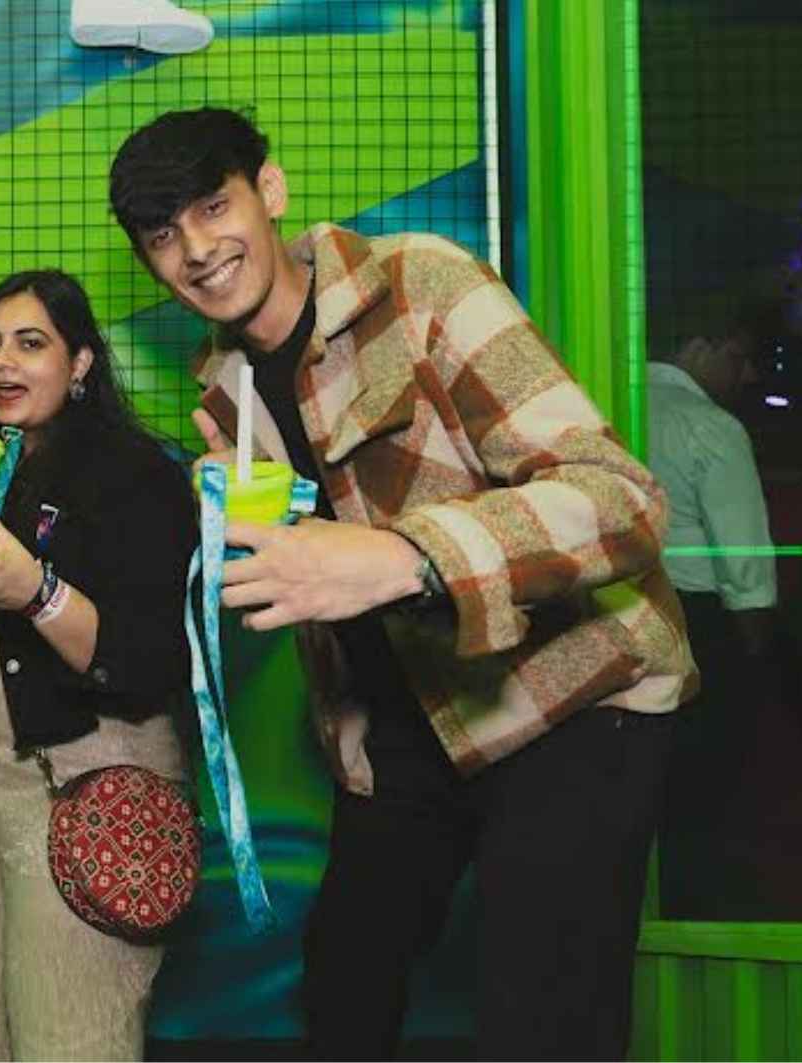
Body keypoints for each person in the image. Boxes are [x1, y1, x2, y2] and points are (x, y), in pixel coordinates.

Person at [109, 108, 695, 1059]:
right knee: (344, 986)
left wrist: (405, 555)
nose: (198, 249)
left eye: (214, 207)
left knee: (539, 1019)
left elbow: (620, 500)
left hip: (572, 697)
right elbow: (313, 575)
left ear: (270, 191)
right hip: (407, 726)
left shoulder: (420, 282)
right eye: (163, 235)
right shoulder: (225, 389)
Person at [0, 270, 199, 1061]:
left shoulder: (138, 475)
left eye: (30, 343)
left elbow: (148, 661)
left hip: (86, 777)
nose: (1, 363)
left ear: (80, 362)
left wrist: (36, 593)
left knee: (71, 1034)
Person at [646, 298, 777, 918]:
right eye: (739, 358)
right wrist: (755, 654)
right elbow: (744, 562)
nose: (748, 375)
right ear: (699, 346)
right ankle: (697, 914)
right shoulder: (711, 426)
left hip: (621, 614)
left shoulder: (604, 401)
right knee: (703, 791)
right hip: (699, 623)